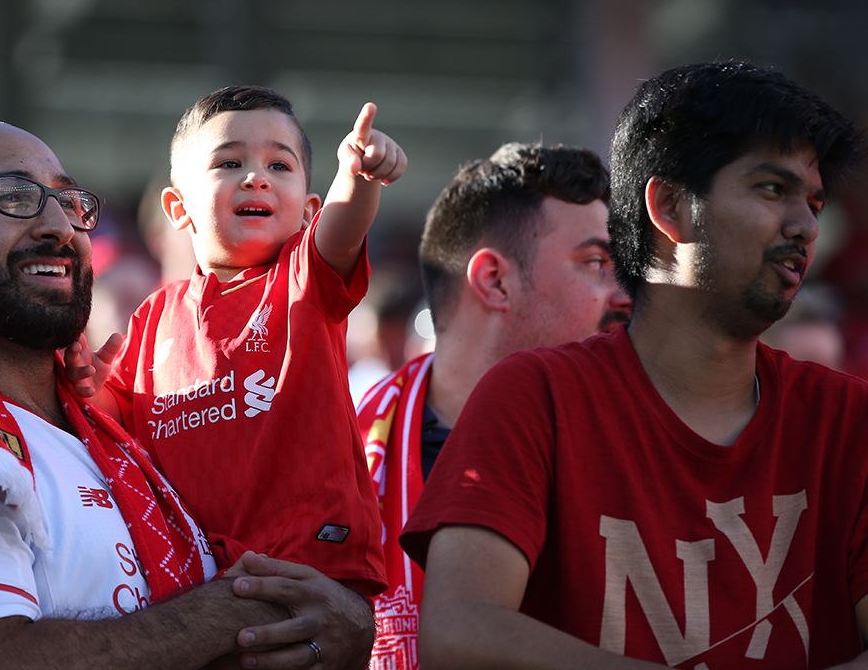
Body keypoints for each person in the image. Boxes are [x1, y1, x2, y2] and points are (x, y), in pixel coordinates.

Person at [0, 119, 375, 670]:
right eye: (16, 197)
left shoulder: (113, 429)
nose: (60, 225)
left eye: (69, 201)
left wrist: (345, 619)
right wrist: (239, 611)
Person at [401, 61, 868, 669]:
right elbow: (460, 635)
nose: (806, 227)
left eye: (813, 201)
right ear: (669, 205)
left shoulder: (848, 420)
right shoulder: (532, 399)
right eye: (772, 189)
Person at [79, 85, 403, 595]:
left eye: (280, 166)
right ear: (177, 206)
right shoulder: (153, 317)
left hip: (309, 566)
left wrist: (358, 178)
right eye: (228, 163)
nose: (256, 178)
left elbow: (343, 228)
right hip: (194, 579)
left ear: (308, 210)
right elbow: (118, 417)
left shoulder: (306, 278)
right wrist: (86, 384)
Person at [356, 142, 632, 670]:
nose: (623, 296)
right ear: (495, 280)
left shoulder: (645, 437)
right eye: (596, 263)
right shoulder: (340, 455)